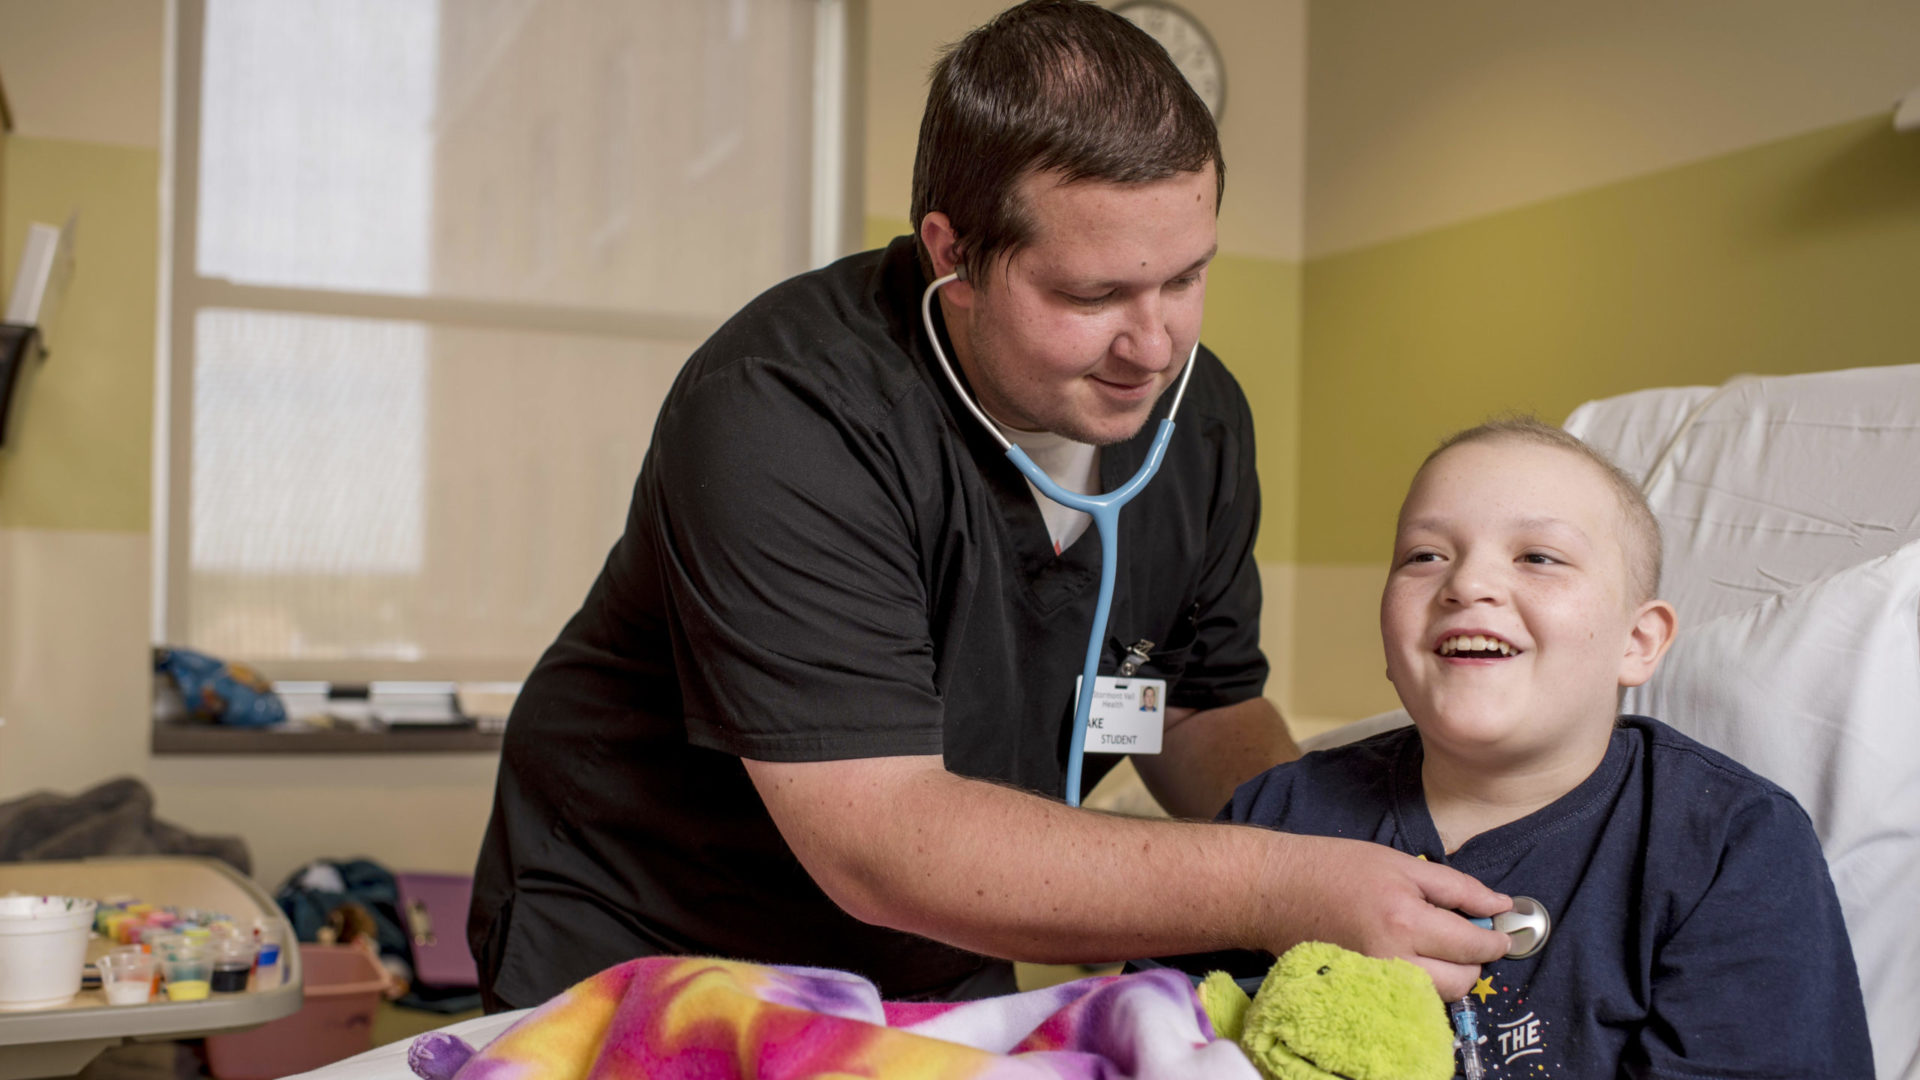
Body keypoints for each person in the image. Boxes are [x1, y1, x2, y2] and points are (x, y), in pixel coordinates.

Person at [469, 0, 1510, 1011]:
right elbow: (881, 838)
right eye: (1093, 297)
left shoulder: (1200, 421)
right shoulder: (783, 412)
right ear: (951, 254)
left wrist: (1346, 854)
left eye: (1187, 278)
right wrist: (1276, 886)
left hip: (931, 943)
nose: (1154, 347)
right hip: (652, 934)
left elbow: (1195, 707)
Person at [1223, 418, 1872, 1077]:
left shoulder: (1728, 845)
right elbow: (1142, 1035)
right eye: (1425, 556)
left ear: (1638, 642)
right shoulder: (1278, 813)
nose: (1467, 584)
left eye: (1538, 557)